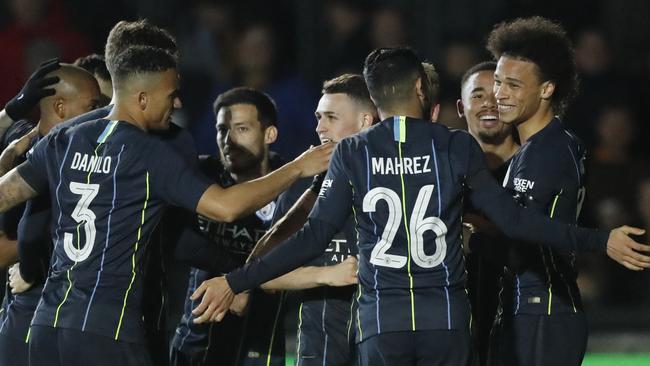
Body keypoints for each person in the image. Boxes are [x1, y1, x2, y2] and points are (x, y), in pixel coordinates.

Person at [189, 47, 650, 366]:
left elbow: (310, 236)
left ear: (374, 97)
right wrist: (598, 239)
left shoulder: (354, 153)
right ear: (418, 87)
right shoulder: (454, 147)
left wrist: (236, 279)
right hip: (445, 322)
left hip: (382, 324)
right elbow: (514, 220)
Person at [0, 30, 332, 366]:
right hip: (107, 329)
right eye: (171, 94)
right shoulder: (150, 152)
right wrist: (298, 168)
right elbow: (226, 208)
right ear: (142, 98)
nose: (178, 103)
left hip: (47, 327)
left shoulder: (65, 137)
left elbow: (5, 195)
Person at [484, 16, 602, 365]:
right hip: (537, 309)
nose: (500, 94)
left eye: (514, 85)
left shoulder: (546, 152)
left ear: (547, 89)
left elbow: (522, 227)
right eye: (498, 81)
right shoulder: (548, 144)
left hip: (543, 311)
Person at [255, 74, 376, 366]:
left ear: (365, 121)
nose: (319, 128)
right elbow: (264, 275)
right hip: (318, 349)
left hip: (383, 345)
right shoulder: (301, 187)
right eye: (319, 117)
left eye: (331, 117)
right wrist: (326, 275)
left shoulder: (393, 181)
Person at [170, 87, 287, 366]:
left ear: (269, 134)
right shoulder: (202, 176)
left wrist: (240, 284)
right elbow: (177, 239)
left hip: (263, 347)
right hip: (196, 344)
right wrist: (237, 277)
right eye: (222, 129)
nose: (229, 140)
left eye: (242, 129)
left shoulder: (292, 185)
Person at [0, 63, 101, 366]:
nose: (104, 115)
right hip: (31, 312)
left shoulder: (99, 154)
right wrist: (14, 108)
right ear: (59, 106)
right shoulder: (27, 145)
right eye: (94, 106)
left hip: (66, 313)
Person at [456, 61, 518, 366]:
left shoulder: (538, 165)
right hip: (453, 328)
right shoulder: (442, 172)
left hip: (521, 324)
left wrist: (476, 228)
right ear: (460, 107)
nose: (489, 103)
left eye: (497, 94)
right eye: (478, 95)